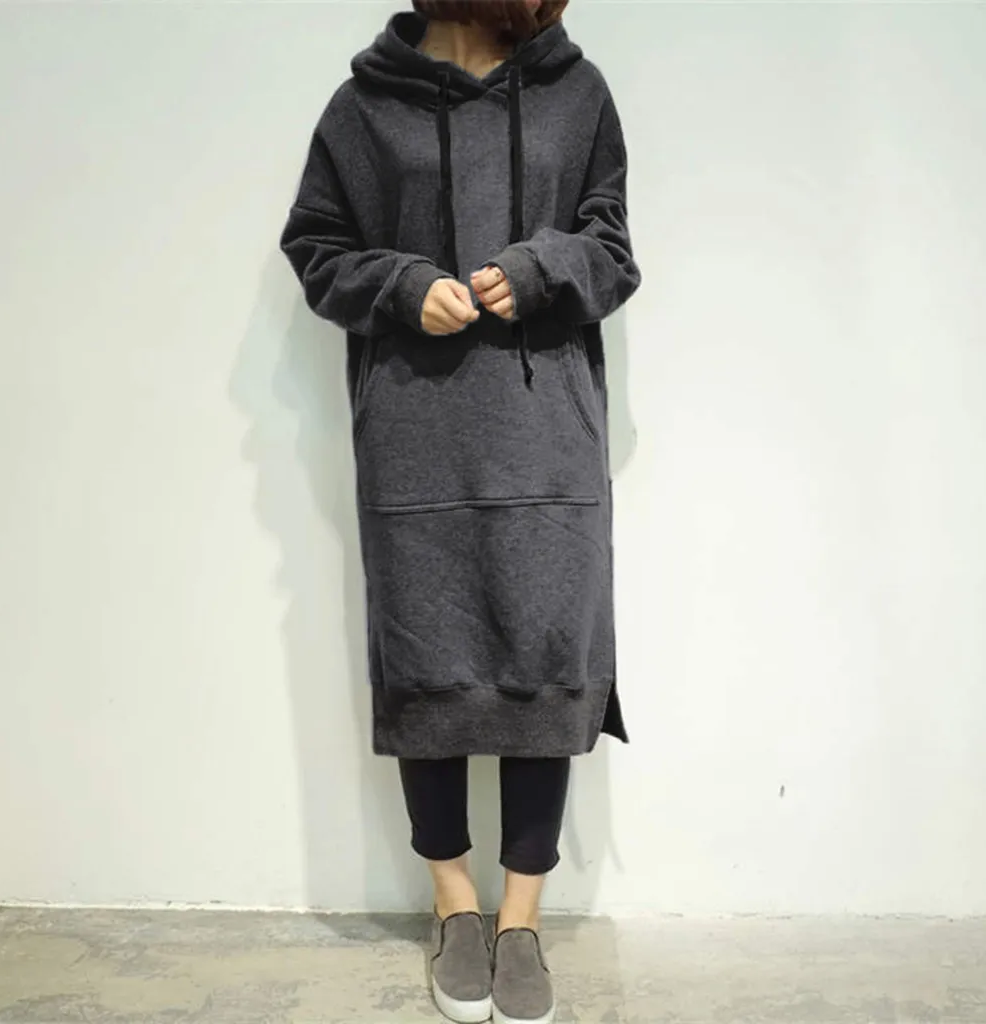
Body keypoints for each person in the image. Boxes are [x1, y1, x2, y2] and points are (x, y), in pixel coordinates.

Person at [279, 1, 639, 1020]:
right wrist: (400, 285)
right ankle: (455, 907)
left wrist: (535, 270)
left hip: (547, 437)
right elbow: (316, 246)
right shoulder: (362, 110)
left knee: (543, 661)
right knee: (428, 665)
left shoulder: (578, 95)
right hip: (416, 440)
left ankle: (520, 918)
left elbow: (612, 249)